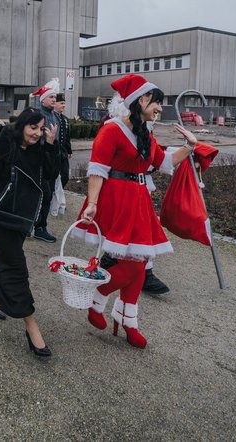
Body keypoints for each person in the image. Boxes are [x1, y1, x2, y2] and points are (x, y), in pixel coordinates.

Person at [78, 74, 198, 348]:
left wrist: (190, 146)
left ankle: (126, 319)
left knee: (141, 262)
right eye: (156, 103)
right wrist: (93, 204)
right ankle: (98, 298)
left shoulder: (145, 132)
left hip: (139, 201)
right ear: (141, 100)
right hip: (117, 200)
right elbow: (97, 169)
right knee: (132, 265)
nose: (159, 109)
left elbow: (164, 161)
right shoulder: (111, 130)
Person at [0, 108, 59, 357]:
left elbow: (50, 175)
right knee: (16, 266)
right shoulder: (1, 146)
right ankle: (31, 327)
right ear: (21, 126)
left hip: (23, 218)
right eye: (33, 128)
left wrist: (50, 146)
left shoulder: (40, 148)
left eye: (41, 129)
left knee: (6, 256)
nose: (37, 133)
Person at [30, 78, 61, 243]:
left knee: (47, 194)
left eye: (55, 97)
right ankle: (38, 226)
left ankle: (38, 225)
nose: (54, 99)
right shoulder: (38, 116)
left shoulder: (55, 116)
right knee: (44, 194)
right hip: (40, 161)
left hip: (51, 162)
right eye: (51, 97)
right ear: (43, 99)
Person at [49, 92, 72, 217]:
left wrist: (69, 151)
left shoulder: (64, 119)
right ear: (55, 104)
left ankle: (57, 196)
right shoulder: (52, 117)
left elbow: (67, 137)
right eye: (61, 103)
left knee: (64, 176)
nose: (63, 105)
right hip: (54, 151)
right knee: (53, 176)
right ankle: (53, 198)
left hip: (63, 152)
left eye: (64, 103)